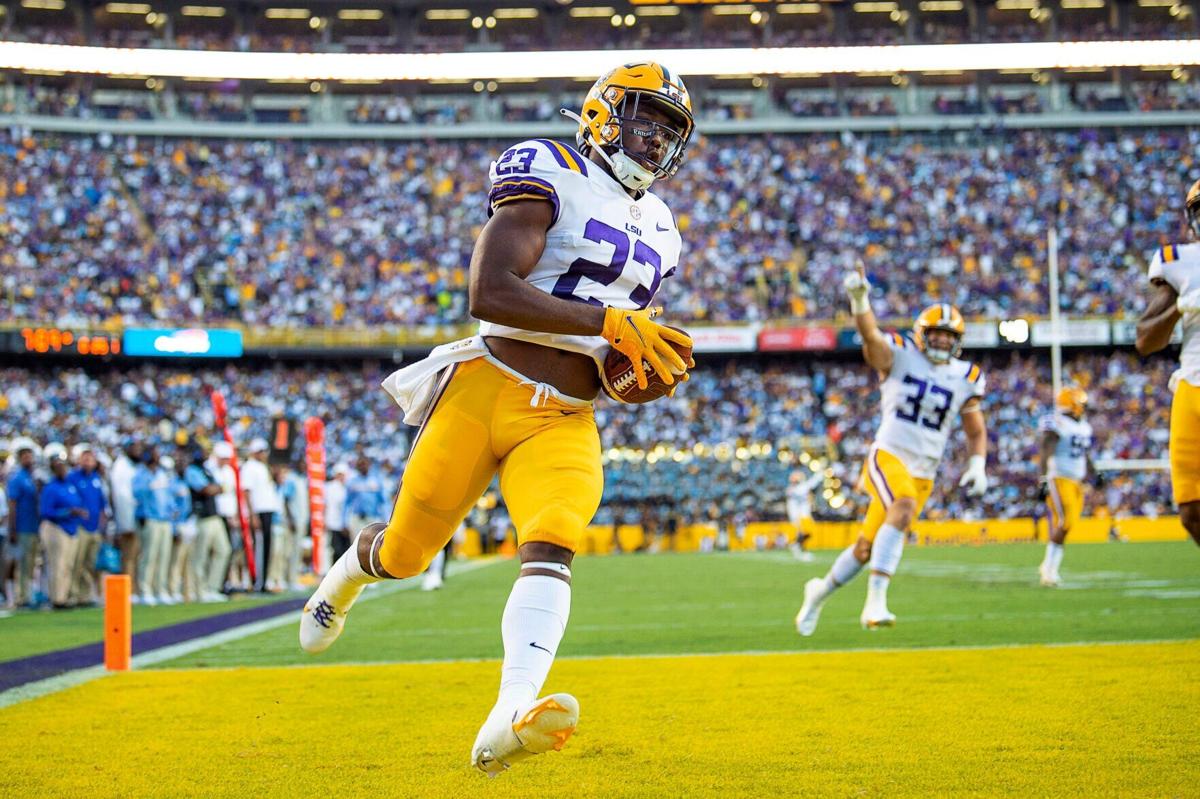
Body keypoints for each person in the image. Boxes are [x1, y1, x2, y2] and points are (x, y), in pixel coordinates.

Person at [300, 62, 696, 776]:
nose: (658, 137)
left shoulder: (664, 229)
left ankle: (508, 715)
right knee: (408, 552)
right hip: (487, 386)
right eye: (649, 117)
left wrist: (635, 369)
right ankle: (346, 578)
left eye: (671, 129)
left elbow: (617, 347)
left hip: (568, 414)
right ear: (605, 112)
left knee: (554, 538)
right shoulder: (548, 165)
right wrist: (608, 320)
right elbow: (490, 290)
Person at [796, 269, 990, 634]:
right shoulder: (901, 356)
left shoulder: (967, 376)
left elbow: (976, 430)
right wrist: (859, 302)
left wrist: (978, 464)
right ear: (922, 335)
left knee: (865, 548)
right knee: (902, 506)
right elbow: (870, 336)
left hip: (924, 471)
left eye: (950, 337)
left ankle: (817, 595)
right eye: (937, 335)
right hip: (889, 455)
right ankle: (875, 603)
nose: (943, 343)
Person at [1135, 178, 1200, 547]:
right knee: (1191, 510)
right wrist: (1180, 306)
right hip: (1192, 385)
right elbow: (1146, 341)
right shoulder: (1180, 261)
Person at [1036, 386, 1102, 587]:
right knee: (1066, 522)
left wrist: (1094, 472)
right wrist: (1043, 479)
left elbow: (1084, 453)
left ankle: (1048, 567)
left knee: (1067, 523)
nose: (1084, 408)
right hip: (1058, 478)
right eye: (1081, 404)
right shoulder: (1058, 423)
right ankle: (1049, 570)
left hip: (1076, 481)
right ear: (1072, 404)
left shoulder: (1083, 426)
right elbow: (1046, 450)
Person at [39, 446, 87, 609]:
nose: (62, 469)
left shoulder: (69, 485)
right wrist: (68, 511)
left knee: (68, 565)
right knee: (57, 565)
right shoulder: (51, 488)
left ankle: (65, 596)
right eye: (58, 466)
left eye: (63, 466)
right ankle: (57, 599)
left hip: (71, 528)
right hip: (56, 528)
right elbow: (45, 512)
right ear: (53, 469)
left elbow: (77, 502)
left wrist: (78, 512)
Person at [186, 444, 230, 602]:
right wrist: (216, 488)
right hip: (202, 517)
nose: (206, 454)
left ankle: (213, 587)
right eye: (203, 451)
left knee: (223, 550)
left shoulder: (206, 470)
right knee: (201, 555)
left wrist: (216, 488)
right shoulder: (192, 470)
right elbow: (206, 490)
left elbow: (218, 488)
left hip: (214, 516)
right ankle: (199, 590)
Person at [133, 447, 175, 606]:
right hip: (150, 518)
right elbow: (137, 494)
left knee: (163, 556)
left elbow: (168, 495)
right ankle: (145, 590)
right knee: (149, 556)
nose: (158, 457)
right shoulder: (141, 474)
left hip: (165, 519)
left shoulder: (161, 473)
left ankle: (160, 589)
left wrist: (173, 509)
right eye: (155, 454)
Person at [67, 443, 108, 606]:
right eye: (85, 459)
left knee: (90, 563)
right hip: (80, 526)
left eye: (90, 459)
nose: (87, 462)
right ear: (79, 460)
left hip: (94, 527)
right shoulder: (73, 477)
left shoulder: (97, 479)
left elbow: (102, 504)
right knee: (77, 561)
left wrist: (102, 525)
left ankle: (85, 595)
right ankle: (73, 594)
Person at [240, 438, 281, 593]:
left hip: (267, 510)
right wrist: (252, 515)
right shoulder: (250, 467)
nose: (265, 454)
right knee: (260, 547)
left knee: (267, 548)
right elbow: (247, 491)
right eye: (262, 451)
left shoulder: (263, 467)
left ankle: (263, 581)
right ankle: (257, 582)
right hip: (259, 511)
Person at [7, 438, 42, 607]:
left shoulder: (32, 477)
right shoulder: (17, 478)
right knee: (22, 563)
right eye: (25, 456)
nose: (29, 459)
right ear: (19, 459)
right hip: (22, 526)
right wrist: (12, 529)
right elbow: (12, 505)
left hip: (34, 526)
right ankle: (21, 597)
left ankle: (27, 594)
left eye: (30, 456)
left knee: (30, 563)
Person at [109, 440, 144, 600]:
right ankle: (128, 592)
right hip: (128, 519)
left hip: (137, 517)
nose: (138, 450)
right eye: (134, 447)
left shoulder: (133, 465)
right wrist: (125, 524)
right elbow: (121, 496)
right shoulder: (121, 466)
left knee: (137, 556)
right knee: (129, 557)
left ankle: (135, 590)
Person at [167, 454, 197, 603]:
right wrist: (174, 528)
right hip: (178, 525)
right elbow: (172, 509)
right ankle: (172, 590)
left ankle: (188, 592)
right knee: (176, 561)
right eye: (179, 463)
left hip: (188, 524)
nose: (182, 466)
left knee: (188, 561)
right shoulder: (171, 483)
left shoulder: (185, 482)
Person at [785, 468, 825, 562]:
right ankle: (799, 547)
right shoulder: (793, 489)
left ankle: (797, 546)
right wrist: (819, 475)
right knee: (804, 532)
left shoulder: (801, 487)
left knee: (807, 532)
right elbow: (810, 484)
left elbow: (812, 483)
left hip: (803, 515)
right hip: (799, 515)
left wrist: (820, 474)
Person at [324, 463, 350, 564]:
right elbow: (325, 505)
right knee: (335, 550)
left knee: (345, 551)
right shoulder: (329, 487)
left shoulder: (348, 487)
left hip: (346, 525)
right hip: (333, 523)